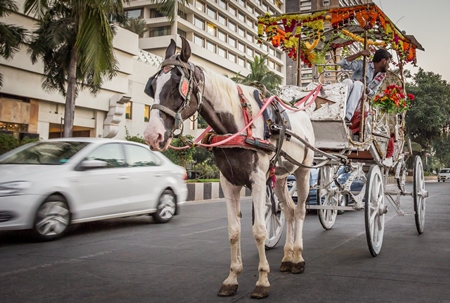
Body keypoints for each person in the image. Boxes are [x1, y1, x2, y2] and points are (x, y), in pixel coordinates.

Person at [338, 48, 392, 123]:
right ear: (383, 61)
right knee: (348, 81)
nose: (389, 66)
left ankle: (347, 117)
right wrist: (359, 54)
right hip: (349, 94)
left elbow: (373, 93)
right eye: (388, 62)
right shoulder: (364, 65)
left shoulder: (382, 75)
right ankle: (338, 111)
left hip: (362, 100)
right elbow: (342, 63)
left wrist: (366, 89)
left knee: (359, 84)